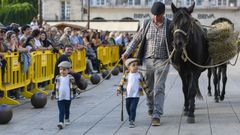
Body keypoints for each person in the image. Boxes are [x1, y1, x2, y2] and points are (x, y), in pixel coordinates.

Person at [121, 1, 173, 126]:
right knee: (148, 87)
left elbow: (176, 42)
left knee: (159, 87)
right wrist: (127, 53)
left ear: (163, 14)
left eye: (158, 15)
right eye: (153, 15)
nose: (155, 18)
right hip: (148, 60)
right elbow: (136, 39)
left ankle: (157, 114)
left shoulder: (170, 25)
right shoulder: (147, 23)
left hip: (163, 60)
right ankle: (150, 106)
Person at [117, 58, 150, 128]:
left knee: (133, 108)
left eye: (137, 65)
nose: (136, 67)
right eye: (133, 65)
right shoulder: (126, 75)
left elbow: (144, 84)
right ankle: (131, 116)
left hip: (136, 95)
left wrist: (147, 91)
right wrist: (118, 90)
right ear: (129, 68)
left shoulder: (139, 75)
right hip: (128, 95)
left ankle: (131, 120)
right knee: (128, 108)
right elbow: (121, 83)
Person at [51, 61, 81, 129]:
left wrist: (77, 90)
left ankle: (67, 118)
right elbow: (55, 86)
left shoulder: (70, 78)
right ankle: (61, 122)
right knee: (61, 110)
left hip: (68, 96)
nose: (62, 71)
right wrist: (53, 94)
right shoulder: (57, 78)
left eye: (64, 70)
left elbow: (74, 85)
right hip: (60, 96)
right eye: (60, 69)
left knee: (67, 109)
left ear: (68, 70)